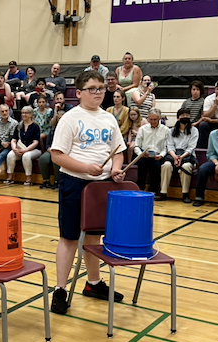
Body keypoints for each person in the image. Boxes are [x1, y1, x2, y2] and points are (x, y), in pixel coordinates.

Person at [49, 70, 126, 315]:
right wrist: (85, 168)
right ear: (79, 92)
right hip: (74, 182)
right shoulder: (70, 118)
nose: (98, 93)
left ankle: (93, 284)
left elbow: (118, 151)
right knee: (69, 238)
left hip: (100, 186)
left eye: (102, 88)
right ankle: (60, 289)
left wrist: (115, 169)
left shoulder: (109, 118)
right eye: (92, 89)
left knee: (94, 238)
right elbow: (57, 155)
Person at [162, 109, 199, 203]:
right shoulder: (171, 131)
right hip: (173, 155)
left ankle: (185, 194)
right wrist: (175, 157)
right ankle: (163, 193)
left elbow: (191, 148)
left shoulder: (194, 130)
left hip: (187, 156)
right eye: (183, 115)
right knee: (166, 165)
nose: (185, 117)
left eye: (187, 115)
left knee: (186, 167)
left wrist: (181, 157)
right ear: (178, 118)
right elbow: (169, 146)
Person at [134, 108, 170, 198]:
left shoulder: (166, 130)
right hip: (144, 155)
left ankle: (153, 190)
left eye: (155, 119)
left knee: (157, 165)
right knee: (141, 163)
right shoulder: (142, 129)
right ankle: (140, 188)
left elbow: (166, 147)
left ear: (159, 119)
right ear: (148, 119)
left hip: (158, 155)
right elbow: (136, 146)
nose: (153, 122)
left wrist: (161, 155)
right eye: (151, 119)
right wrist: (140, 154)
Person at [4, 106, 41, 186]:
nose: (23, 114)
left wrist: (26, 150)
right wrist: (14, 148)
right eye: (22, 113)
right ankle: (10, 177)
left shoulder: (35, 126)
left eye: (26, 113)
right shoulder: (19, 126)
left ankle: (28, 179)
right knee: (10, 155)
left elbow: (35, 142)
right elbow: (14, 139)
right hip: (20, 149)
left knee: (26, 156)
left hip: (34, 150)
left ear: (31, 114)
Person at [0, 104, 18, 183]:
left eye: (6, 111)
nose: (5, 113)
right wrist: (1, 144)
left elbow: (12, 138)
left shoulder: (14, 123)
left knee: (1, 156)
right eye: (2, 111)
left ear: (9, 111)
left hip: (8, 146)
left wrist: (1, 148)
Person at [39, 120, 60, 190]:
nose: (60, 120)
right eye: (59, 118)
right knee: (43, 159)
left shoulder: (68, 129)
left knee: (56, 160)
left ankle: (57, 182)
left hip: (61, 151)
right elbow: (47, 144)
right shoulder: (53, 129)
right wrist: (49, 149)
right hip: (51, 150)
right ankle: (46, 181)